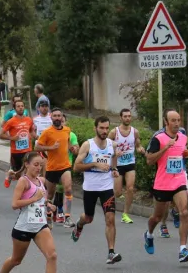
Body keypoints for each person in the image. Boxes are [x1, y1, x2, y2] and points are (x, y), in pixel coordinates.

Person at [0, 152, 64, 273]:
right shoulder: (23, 182)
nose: (38, 168)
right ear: (27, 165)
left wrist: (47, 204)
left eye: (40, 165)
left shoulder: (41, 181)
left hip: (40, 225)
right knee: (16, 260)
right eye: (35, 165)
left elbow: (41, 201)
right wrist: (34, 199)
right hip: (23, 226)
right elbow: (14, 204)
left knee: (52, 255)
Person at [143, 109, 188, 262]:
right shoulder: (158, 138)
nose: (176, 123)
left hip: (178, 180)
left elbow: (180, 153)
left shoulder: (183, 137)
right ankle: (149, 234)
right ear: (166, 122)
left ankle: (183, 249)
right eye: (173, 120)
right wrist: (165, 147)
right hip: (163, 183)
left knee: (184, 212)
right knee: (157, 217)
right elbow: (149, 160)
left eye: (178, 120)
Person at [71, 116, 122, 264]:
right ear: (95, 128)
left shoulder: (112, 144)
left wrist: (114, 169)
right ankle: (79, 225)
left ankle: (111, 252)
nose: (105, 131)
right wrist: (94, 164)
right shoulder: (88, 145)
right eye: (102, 128)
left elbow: (113, 159)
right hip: (90, 188)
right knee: (88, 218)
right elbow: (76, 167)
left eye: (107, 128)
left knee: (110, 218)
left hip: (106, 187)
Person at [34, 108, 76, 227]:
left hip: (65, 166)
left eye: (59, 116)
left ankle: (67, 217)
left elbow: (68, 143)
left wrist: (72, 148)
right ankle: (48, 216)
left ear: (62, 117)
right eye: (55, 116)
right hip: (52, 168)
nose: (57, 118)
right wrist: (51, 148)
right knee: (50, 195)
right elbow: (37, 147)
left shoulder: (67, 130)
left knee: (68, 188)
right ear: (51, 117)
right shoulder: (47, 132)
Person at [109, 109, 145, 224]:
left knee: (130, 188)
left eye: (129, 116)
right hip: (118, 164)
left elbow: (138, 145)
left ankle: (125, 214)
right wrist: (115, 153)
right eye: (125, 116)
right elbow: (105, 147)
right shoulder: (114, 132)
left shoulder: (135, 132)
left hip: (130, 163)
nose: (127, 118)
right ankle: (109, 203)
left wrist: (140, 149)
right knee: (118, 192)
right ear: (120, 118)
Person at [0, 100, 36, 188]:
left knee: (27, 172)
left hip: (28, 150)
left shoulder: (29, 120)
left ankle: (25, 191)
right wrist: (12, 138)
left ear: (24, 107)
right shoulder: (11, 121)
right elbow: (1, 134)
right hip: (16, 151)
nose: (20, 108)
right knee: (18, 174)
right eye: (18, 106)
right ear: (15, 109)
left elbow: (31, 130)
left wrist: (35, 136)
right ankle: (9, 176)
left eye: (22, 106)